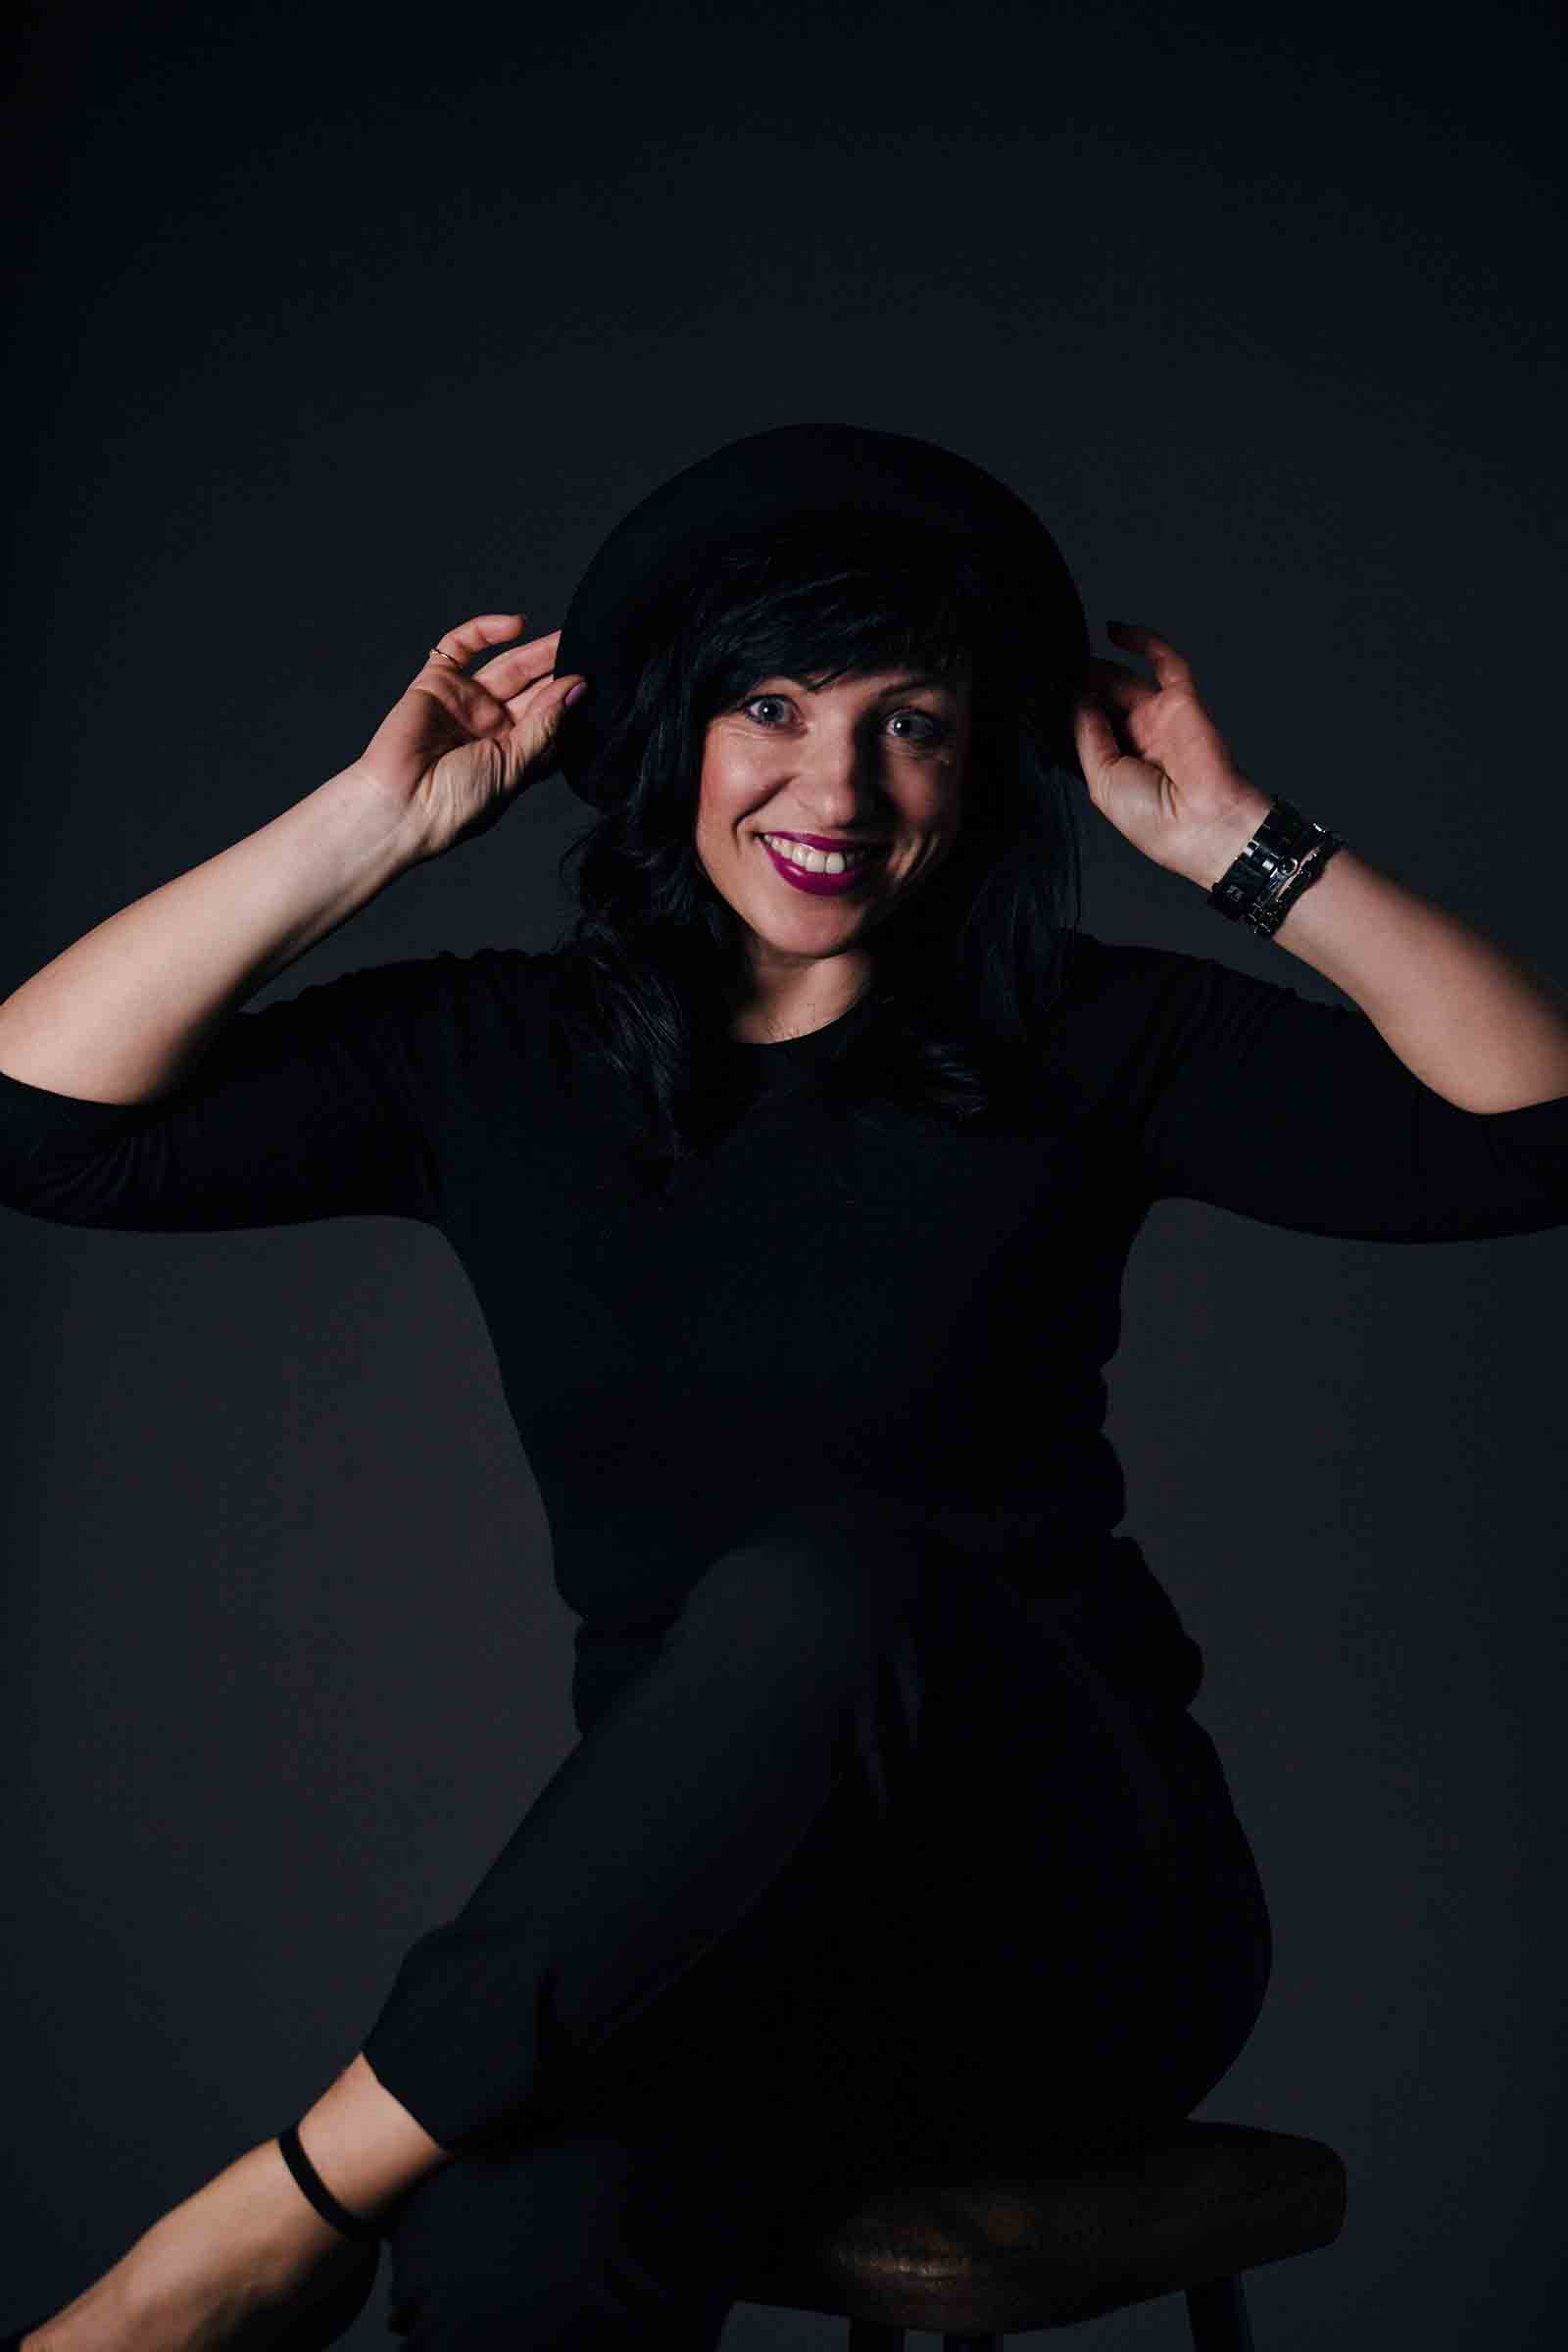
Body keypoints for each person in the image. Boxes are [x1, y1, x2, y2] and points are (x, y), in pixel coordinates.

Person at [2, 419, 1566, 2352]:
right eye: (771, 708)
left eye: (908, 723)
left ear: (973, 765)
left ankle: (257, 2223)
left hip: (1069, 1919)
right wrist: (369, 830)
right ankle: (346, 2200)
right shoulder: (501, 1060)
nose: (834, 785)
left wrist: (1229, 844)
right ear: (676, 731)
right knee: (507, 2243)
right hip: (705, 1936)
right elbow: (38, 1123)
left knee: (845, 1579)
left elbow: (1535, 1140)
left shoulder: (1079, 1037)